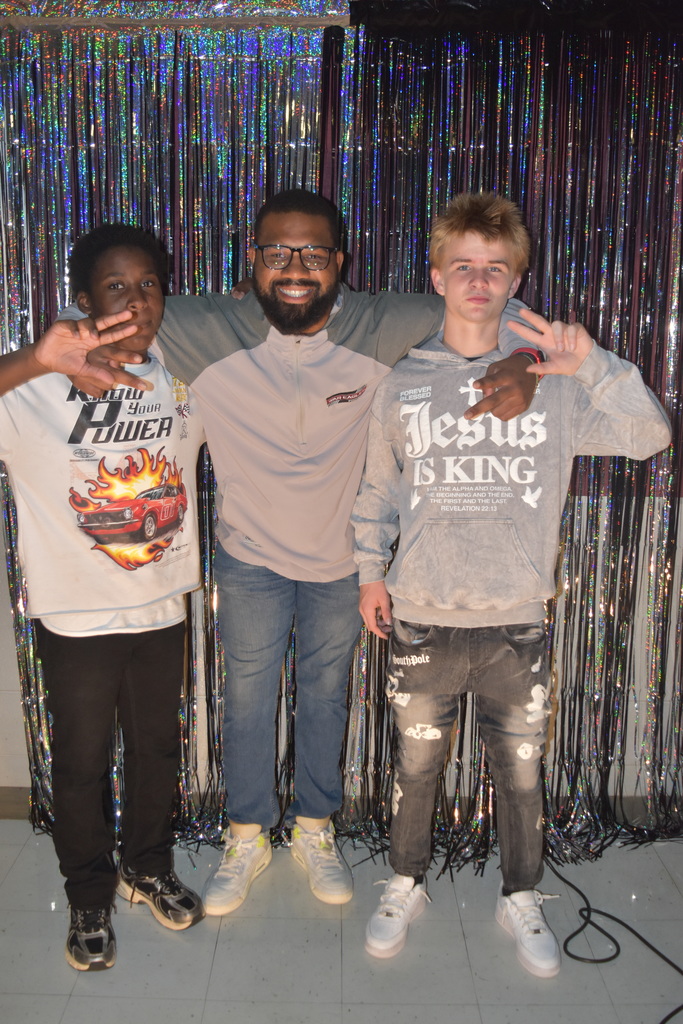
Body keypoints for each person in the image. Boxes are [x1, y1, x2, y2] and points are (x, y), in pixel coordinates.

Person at [67, 189, 542, 917]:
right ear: (251, 262)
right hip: (248, 556)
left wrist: (529, 361)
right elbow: (100, 319)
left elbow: (495, 309)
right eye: (276, 252)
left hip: (341, 564)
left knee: (324, 697)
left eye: (313, 253)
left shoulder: (384, 322)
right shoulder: (200, 326)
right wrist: (62, 349)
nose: (295, 267)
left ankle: (314, 829)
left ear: (339, 262)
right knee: (249, 700)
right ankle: (249, 834)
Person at [351, 192, 671, 975]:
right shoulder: (403, 383)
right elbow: (376, 491)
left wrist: (588, 361)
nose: (478, 280)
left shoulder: (556, 383)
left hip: (515, 619)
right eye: (462, 266)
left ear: (515, 277)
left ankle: (519, 892)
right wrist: (368, 572)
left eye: (495, 268)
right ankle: (405, 881)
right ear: (436, 276)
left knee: (519, 773)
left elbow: (648, 435)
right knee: (415, 768)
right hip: (422, 612)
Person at [0, 225, 207, 971]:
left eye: (148, 284)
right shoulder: (30, 394)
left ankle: (146, 867)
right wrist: (33, 359)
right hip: (75, 613)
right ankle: (88, 893)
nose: (136, 300)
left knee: (156, 748)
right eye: (116, 287)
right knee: (83, 762)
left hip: (161, 606)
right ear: (83, 301)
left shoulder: (187, 376)